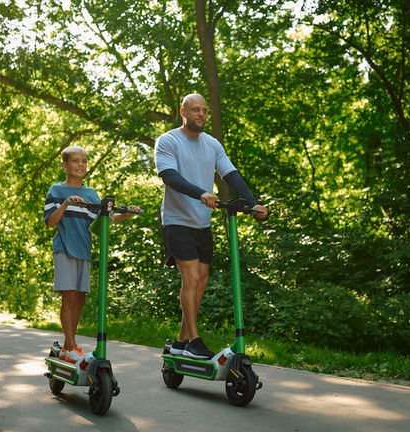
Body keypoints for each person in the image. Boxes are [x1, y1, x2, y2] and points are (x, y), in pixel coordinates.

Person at [155, 93, 268, 359]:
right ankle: (194, 340)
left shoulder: (212, 144)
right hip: (177, 220)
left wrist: (253, 203)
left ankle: (181, 341)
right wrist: (200, 193)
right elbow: (169, 176)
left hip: (202, 223)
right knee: (191, 279)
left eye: (204, 110)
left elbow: (230, 174)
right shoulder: (169, 140)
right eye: (195, 110)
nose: (201, 114)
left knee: (201, 282)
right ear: (183, 111)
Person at [44, 145, 140, 363]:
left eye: (84, 161)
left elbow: (100, 224)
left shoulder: (90, 194)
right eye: (76, 161)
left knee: (80, 299)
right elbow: (51, 222)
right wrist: (67, 203)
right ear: (65, 165)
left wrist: (126, 214)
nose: (80, 165)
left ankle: (71, 344)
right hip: (64, 250)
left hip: (84, 252)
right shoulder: (56, 191)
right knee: (68, 297)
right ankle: (69, 345)